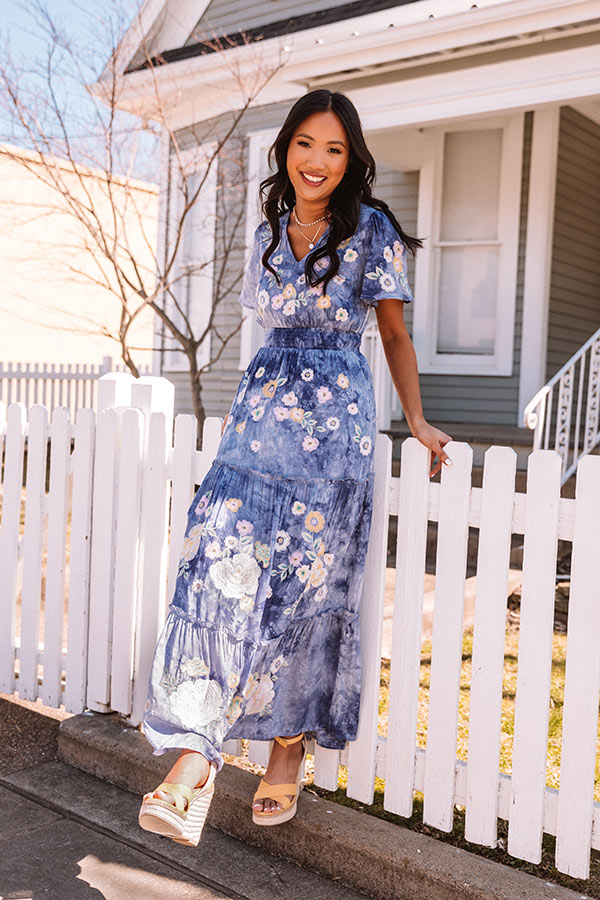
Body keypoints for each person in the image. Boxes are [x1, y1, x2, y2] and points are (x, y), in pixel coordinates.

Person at [138, 88, 453, 846]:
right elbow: (268, 331)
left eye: (334, 149)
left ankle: (287, 745)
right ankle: (195, 756)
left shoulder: (371, 229)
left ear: (351, 161)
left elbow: (394, 336)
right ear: (285, 150)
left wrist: (416, 419)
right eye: (305, 144)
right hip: (258, 424)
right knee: (216, 571)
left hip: (333, 431)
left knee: (307, 588)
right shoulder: (267, 233)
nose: (317, 161)